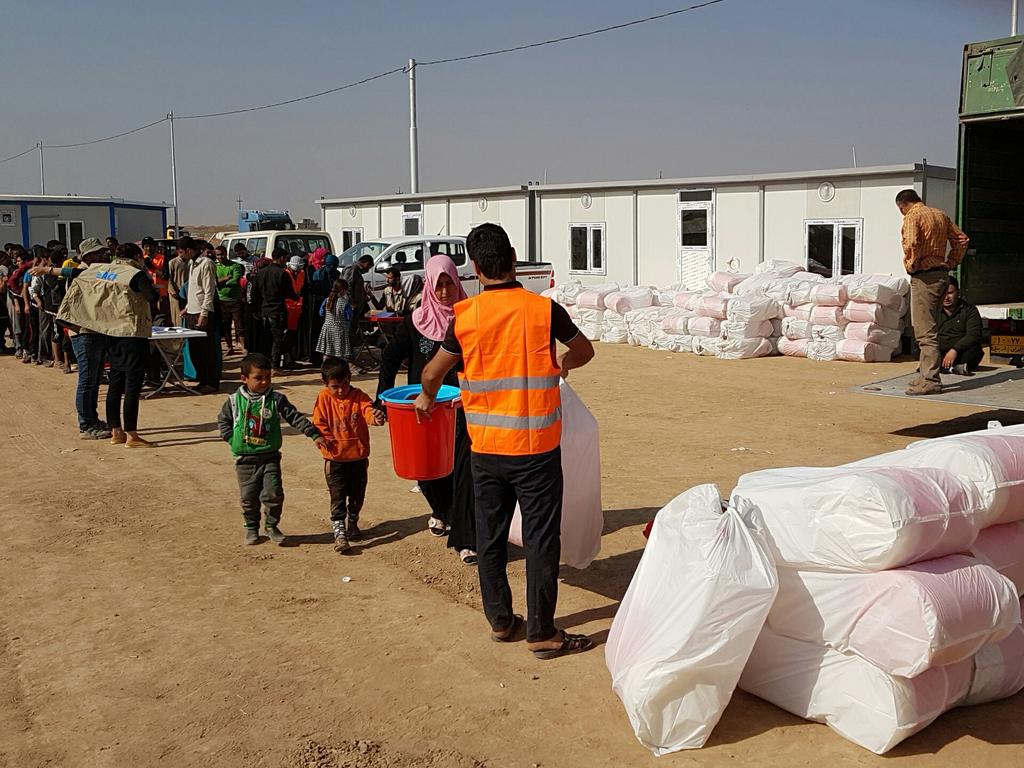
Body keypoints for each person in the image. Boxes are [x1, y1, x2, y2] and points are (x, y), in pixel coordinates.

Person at [415, 224, 596, 658]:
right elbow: (585, 351)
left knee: (490, 537)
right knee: (539, 539)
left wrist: (424, 398)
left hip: (486, 450)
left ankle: (500, 621)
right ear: (514, 259)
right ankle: (542, 631)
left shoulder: (466, 317)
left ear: (475, 269)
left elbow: (432, 374)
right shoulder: (543, 311)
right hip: (536, 450)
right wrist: (563, 364)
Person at [375, 255, 478, 565]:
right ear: (430, 287)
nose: (445, 291)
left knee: (464, 471)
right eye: (439, 285)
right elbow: (390, 357)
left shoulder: (470, 318)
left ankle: (466, 538)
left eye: (449, 283)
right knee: (426, 471)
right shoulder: (416, 322)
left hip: (462, 409)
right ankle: (442, 512)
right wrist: (381, 397)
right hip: (423, 410)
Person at [217, 352, 326, 546]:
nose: (264, 382)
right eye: (258, 378)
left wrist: (314, 434)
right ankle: (251, 527)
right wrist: (232, 440)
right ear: (244, 379)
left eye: (268, 378)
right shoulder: (233, 401)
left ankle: (271, 526)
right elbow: (223, 421)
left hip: (270, 457)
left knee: (273, 493)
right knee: (248, 497)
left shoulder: (277, 399)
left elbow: (295, 417)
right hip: (245, 460)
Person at [53, 237, 154, 441]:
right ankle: (89, 424)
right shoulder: (92, 272)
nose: (104, 256)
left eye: (105, 253)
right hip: (86, 332)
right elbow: (151, 296)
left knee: (105, 381)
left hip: (104, 331)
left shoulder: (101, 271)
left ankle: (106, 425)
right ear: (88, 256)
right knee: (90, 380)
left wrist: (49, 270)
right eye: (99, 253)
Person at [896, 189, 970, 396]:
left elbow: (911, 243)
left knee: (924, 331)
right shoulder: (940, 214)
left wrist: (912, 264)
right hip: (941, 275)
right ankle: (925, 375)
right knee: (932, 327)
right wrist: (952, 261)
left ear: (903, 205)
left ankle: (930, 379)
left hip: (924, 277)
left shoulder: (913, 216)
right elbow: (962, 239)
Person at [312, 358, 384, 552]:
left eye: (345, 384)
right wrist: (323, 439)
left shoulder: (359, 396)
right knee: (337, 496)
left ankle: (353, 521)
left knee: (357, 495)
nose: (341, 390)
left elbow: (368, 411)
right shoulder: (324, 398)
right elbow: (318, 423)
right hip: (334, 459)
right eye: (336, 387)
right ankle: (339, 531)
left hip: (358, 458)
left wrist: (375, 418)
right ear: (325, 383)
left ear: (350, 379)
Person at [101, 243, 159, 447]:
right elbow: (152, 297)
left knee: (115, 384)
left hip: (111, 331)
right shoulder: (136, 274)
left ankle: (116, 431)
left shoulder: (107, 272)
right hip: (132, 332)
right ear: (136, 256)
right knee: (132, 386)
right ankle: (132, 434)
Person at [181, 236, 221, 393]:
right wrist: (187, 306)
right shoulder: (191, 264)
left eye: (181, 252)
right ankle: (202, 379)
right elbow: (194, 289)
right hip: (192, 311)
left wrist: (204, 313)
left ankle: (211, 382)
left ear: (189, 250)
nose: (181, 255)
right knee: (195, 349)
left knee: (207, 350)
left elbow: (209, 290)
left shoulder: (206, 264)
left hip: (203, 312)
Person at [251, 248, 295, 371]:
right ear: (281, 258)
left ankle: (266, 364)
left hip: (264, 311)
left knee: (266, 339)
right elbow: (289, 293)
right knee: (277, 339)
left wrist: (256, 310)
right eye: (285, 259)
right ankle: (275, 365)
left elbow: (254, 294)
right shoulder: (282, 273)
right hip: (278, 311)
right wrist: (297, 296)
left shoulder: (261, 272)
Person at [937, 275, 984, 376]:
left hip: (960, 352)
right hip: (939, 351)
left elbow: (974, 335)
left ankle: (943, 367)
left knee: (976, 351)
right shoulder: (933, 310)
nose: (946, 297)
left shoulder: (970, 310)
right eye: (943, 293)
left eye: (950, 293)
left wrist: (955, 350)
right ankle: (954, 368)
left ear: (958, 292)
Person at [341, 254, 374, 359]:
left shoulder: (357, 271)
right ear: (366, 263)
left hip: (355, 307)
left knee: (352, 332)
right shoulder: (352, 270)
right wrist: (351, 303)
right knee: (349, 332)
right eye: (368, 267)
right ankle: (348, 357)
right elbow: (347, 287)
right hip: (350, 308)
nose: (368, 270)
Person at [215, 245, 244, 356]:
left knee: (239, 325)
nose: (220, 256)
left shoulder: (235, 265)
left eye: (222, 254)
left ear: (226, 253)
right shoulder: (215, 266)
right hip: (221, 300)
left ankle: (243, 347)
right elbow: (214, 281)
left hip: (235, 300)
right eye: (218, 254)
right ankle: (229, 347)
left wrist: (221, 282)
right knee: (225, 326)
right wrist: (226, 278)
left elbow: (235, 280)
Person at [316, 279, 353, 361]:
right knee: (340, 351)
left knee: (328, 351)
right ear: (343, 291)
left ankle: (326, 367)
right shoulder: (344, 302)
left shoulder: (327, 300)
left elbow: (321, 313)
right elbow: (348, 317)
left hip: (327, 329)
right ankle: (339, 369)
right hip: (339, 330)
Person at [284, 255, 306, 366]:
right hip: (287, 307)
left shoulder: (302, 273)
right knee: (286, 335)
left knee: (293, 334)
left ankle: (291, 358)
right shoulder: (285, 274)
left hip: (297, 308)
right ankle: (287, 359)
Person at [141, 237, 170, 323]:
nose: (149, 249)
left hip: (161, 295)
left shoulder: (162, 259)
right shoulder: (141, 259)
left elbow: (165, 276)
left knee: (162, 319)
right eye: (146, 246)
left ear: (155, 247)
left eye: (151, 246)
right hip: (147, 294)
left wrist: (152, 268)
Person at [166, 244, 188, 328]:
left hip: (186, 293)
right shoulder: (172, 262)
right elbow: (169, 278)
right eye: (180, 252)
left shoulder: (189, 262)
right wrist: (172, 291)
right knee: (177, 315)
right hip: (175, 293)